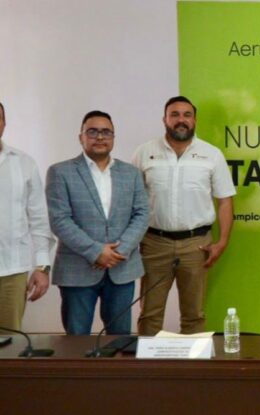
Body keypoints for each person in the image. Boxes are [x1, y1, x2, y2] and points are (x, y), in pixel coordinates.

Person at [133, 96, 235, 335]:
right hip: (154, 243)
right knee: (149, 314)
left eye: (187, 115)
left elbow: (225, 201)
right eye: (175, 114)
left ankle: (194, 361)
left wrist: (222, 242)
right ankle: (147, 360)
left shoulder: (212, 154)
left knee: (194, 314)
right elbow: (131, 200)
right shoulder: (145, 153)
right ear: (164, 119)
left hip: (196, 245)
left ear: (194, 120)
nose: (181, 120)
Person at [46, 111, 149, 335]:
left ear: (113, 137)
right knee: (76, 339)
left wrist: (117, 252)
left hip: (121, 268)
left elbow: (142, 214)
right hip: (77, 269)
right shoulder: (60, 172)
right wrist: (96, 252)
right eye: (92, 132)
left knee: (120, 339)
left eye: (106, 132)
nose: (100, 137)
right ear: (81, 137)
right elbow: (59, 220)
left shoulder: (131, 173)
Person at [0, 102, 55, 330]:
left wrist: (42, 267)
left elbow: (39, 220)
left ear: (4, 123)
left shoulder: (23, 163)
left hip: (11, 272)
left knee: (8, 342)